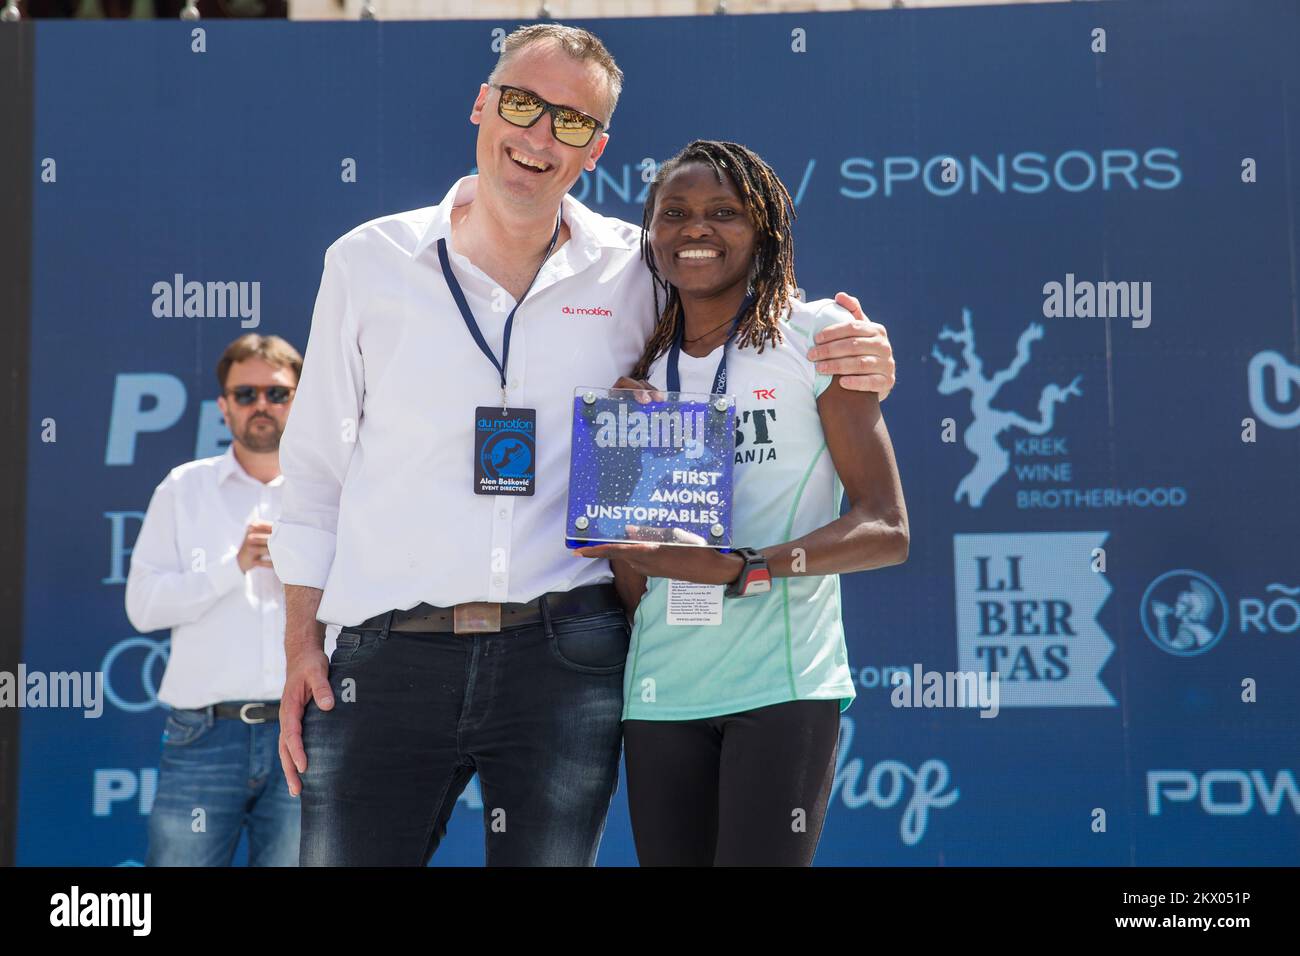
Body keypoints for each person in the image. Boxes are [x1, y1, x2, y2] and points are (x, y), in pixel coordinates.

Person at [269, 23, 897, 867]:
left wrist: (857, 350)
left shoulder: (637, 267)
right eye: (523, 104)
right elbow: (312, 470)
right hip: (388, 656)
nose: (538, 136)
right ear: (483, 104)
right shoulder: (368, 261)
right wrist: (300, 643)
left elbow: (747, 317)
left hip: (566, 654)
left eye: (570, 121)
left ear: (595, 149)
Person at [576, 140, 909, 866]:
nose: (696, 229)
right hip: (660, 690)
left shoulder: (816, 337)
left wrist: (748, 567)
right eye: (675, 214)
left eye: (723, 212)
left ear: (763, 231)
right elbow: (637, 581)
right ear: (652, 234)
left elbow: (886, 529)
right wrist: (627, 506)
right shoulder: (639, 371)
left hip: (781, 685)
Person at [126, 334, 304, 867]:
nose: (261, 407)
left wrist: (302, 563)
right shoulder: (184, 489)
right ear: (223, 405)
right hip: (204, 732)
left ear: (301, 399)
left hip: (305, 734)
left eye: (277, 394)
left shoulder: (329, 492)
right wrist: (234, 565)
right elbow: (144, 607)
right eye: (245, 394)